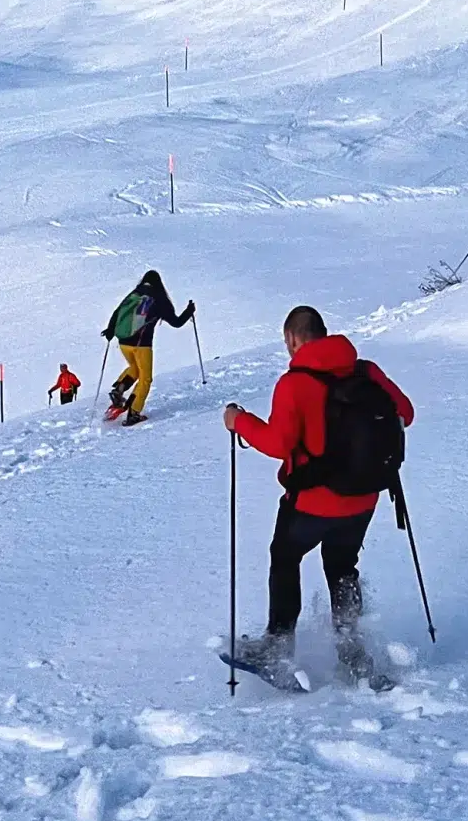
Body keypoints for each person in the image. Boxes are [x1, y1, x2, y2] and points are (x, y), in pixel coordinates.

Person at [223, 305, 413, 681]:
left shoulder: (294, 383)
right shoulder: (366, 371)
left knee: (285, 557)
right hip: (363, 498)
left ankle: (277, 646)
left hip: (311, 502)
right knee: (342, 567)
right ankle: (352, 650)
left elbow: (279, 444)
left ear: (293, 339)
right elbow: (405, 412)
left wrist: (238, 421)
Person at [101, 270, 194, 426]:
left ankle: (119, 390)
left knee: (134, 368)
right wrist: (189, 311)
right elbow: (176, 323)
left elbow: (117, 312)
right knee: (145, 378)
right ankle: (134, 412)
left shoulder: (135, 293)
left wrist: (110, 331)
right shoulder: (160, 299)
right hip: (142, 345)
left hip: (124, 343)